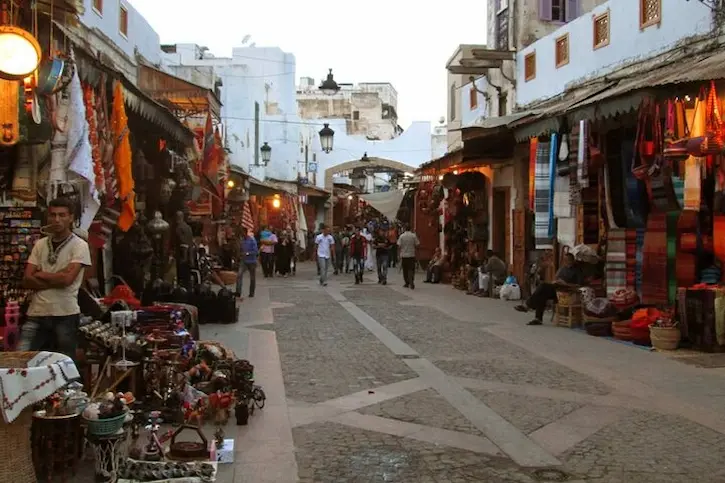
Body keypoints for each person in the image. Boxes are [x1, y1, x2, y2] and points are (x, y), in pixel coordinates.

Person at [19, 197, 91, 358]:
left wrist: (40, 274)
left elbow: (67, 280)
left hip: (65, 313)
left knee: (64, 367)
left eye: (62, 215)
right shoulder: (40, 244)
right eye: (53, 215)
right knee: (21, 361)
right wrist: (58, 277)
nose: (57, 219)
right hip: (37, 312)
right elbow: (26, 280)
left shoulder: (79, 245)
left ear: (71, 217)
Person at [515, 253, 584, 326]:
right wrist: (556, 281)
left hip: (566, 291)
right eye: (565, 260)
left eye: (568, 260)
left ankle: (528, 306)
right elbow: (555, 279)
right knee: (542, 293)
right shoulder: (563, 268)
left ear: (572, 260)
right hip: (556, 288)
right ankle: (537, 319)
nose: (566, 262)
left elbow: (579, 285)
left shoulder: (577, 270)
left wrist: (565, 284)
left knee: (543, 287)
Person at [236, 227, 258, 299]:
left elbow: (255, 251)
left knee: (252, 278)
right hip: (244, 261)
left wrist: (248, 253)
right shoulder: (242, 241)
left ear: (245, 233)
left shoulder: (252, 240)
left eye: (242, 233)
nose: (242, 235)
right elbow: (241, 250)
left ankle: (251, 293)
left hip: (252, 261)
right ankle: (238, 292)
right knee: (239, 275)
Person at [174, 210, 194, 288]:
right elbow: (191, 243)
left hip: (182, 257)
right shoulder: (188, 227)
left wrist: (183, 258)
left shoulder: (179, 228)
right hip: (189, 255)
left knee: (181, 277)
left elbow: (183, 244)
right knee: (187, 277)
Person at [397, 225, 420, 289]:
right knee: (411, 269)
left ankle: (407, 282)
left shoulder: (401, 236)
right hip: (411, 255)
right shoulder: (413, 236)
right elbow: (417, 244)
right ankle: (411, 280)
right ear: (410, 228)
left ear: (404, 228)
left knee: (405, 270)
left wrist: (399, 255)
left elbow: (399, 246)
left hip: (404, 255)